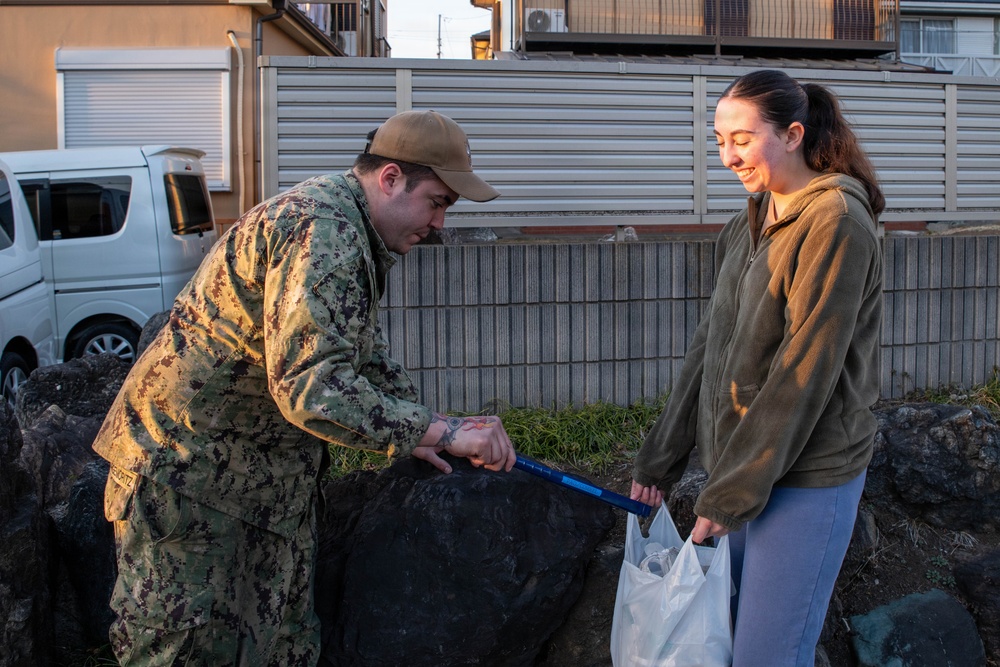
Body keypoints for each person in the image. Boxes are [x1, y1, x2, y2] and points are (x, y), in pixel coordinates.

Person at [93, 109, 517, 665]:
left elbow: (359, 356)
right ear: (390, 179)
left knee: (280, 648)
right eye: (437, 201)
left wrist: (426, 429)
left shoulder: (347, 227)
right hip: (187, 479)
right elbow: (313, 387)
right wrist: (442, 429)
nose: (440, 223)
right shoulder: (324, 230)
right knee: (187, 652)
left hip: (257, 486)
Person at [630, 69, 884, 666]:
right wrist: (661, 457)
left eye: (741, 139)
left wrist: (730, 494)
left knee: (767, 655)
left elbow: (804, 373)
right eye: (719, 140)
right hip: (742, 472)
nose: (727, 156)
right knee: (727, 642)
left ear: (793, 134)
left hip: (806, 477)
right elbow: (707, 347)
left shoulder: (836, 222)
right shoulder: (749, 220)